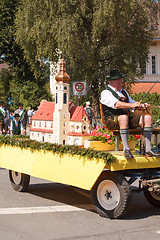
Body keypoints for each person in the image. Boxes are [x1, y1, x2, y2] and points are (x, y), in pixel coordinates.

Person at [100, 69, 160, 159]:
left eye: (121, 81)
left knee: (147, 118)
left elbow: (133, 103)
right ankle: (126, 149)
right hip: (111, 120)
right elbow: (116, 104)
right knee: (123, 117)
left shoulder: (124, 92)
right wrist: (132, 105)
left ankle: (148, 149)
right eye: (119, 82)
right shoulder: (105, 93)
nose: (121, 83)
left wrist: (142, 105)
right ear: (111, 82)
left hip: (127, 118)